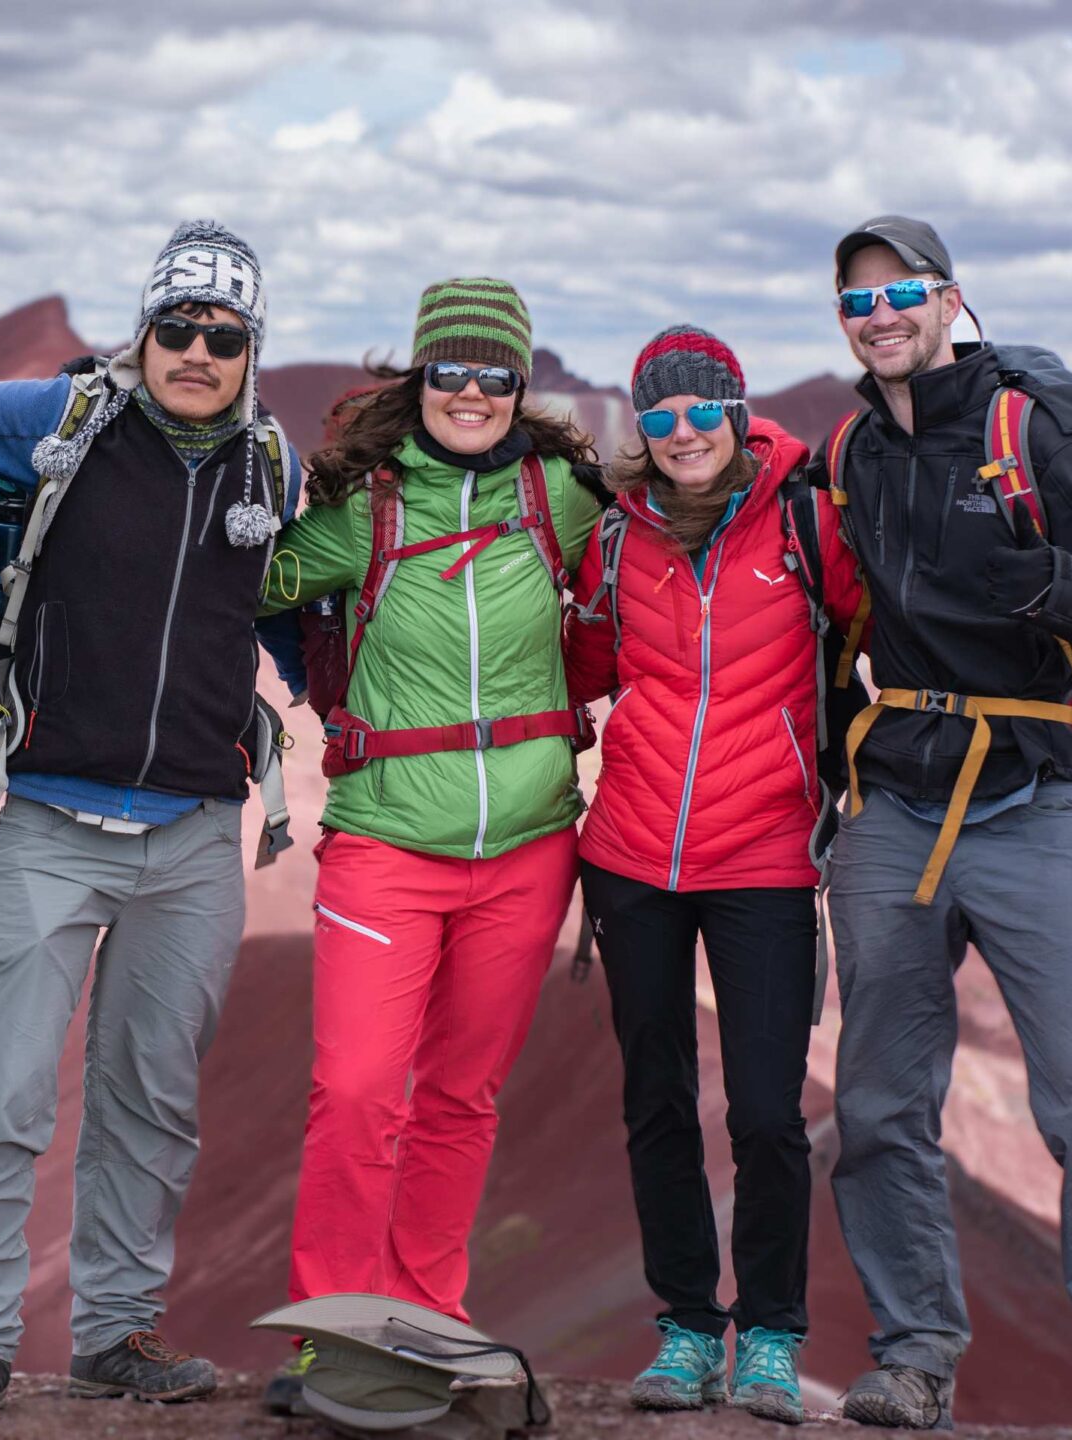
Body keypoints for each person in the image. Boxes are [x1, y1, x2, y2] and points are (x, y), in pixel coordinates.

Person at [814, 216, 1072, 1440]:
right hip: (895, 807)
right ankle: (916, 1355)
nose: (880, 316)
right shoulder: (848, 450)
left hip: (1030, 801)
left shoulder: (1032, 429)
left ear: (949, 301)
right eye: (857, 300)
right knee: (880, 1103)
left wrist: (1039, 579)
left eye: (903, 293)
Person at [0, 220, 301, 1427]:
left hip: (194, 832)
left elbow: (285, 612)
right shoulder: (65, 421)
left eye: (221, 335)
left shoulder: (268, 469)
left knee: (149, 1096)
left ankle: (115, 1331)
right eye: (174, 326)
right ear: (143, 330)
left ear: (251, 347)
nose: (194, 350)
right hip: (49, 816)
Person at [256, 279, 599, 1406]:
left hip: (530, 850)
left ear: (521, 385)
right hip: (388, 842)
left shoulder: (563, 497)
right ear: (420, 378)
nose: (471, 391)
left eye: (494, 373)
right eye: (449, 369)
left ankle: (428, 1316)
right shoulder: (370, 506)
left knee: (460, 1096)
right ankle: (335, 1333)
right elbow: (246, 580)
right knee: (357, 1089)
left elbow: (684, 529)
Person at [561, 325, 862, 1425]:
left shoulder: (801, 517)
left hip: (765, 858)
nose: (680, 433)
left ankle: (770, 1336)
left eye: (700, 410)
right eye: (658, 415)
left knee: (772, 1113)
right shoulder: (612, 539)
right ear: (638, 427)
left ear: (736, 413)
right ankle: (687, 1329)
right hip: (632, 858)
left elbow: (872, 627)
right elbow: (588, 668)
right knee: (655, 1103)